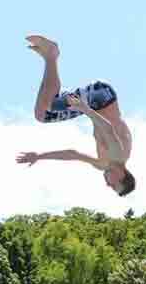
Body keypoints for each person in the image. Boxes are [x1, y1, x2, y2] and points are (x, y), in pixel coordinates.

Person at [17, 35, 135, 196]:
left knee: (43, 114)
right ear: (121, 176)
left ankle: (49, 57)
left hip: (94, 105)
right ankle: (51, 54)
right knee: (49, 105)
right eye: (114, 186)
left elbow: (73, 154)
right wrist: (84, 109)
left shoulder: (102, 164)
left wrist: (39, 156)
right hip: (102, 98)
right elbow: (107, 129)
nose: (108, 185)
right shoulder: (119, 155)